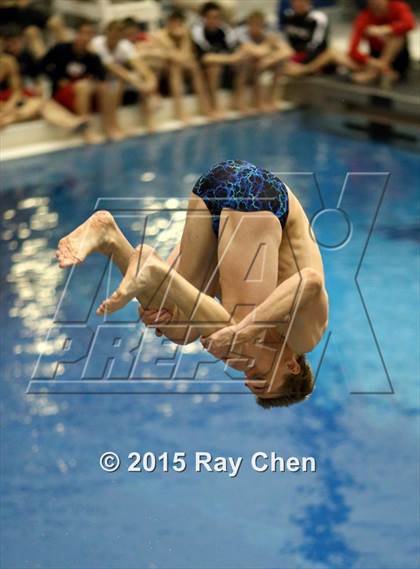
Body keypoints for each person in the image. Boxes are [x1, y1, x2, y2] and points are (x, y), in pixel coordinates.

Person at [56, 160, 329, 408]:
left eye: (248, 377)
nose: (244, 370)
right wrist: (245, 331)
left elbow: (193, 260)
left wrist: (161, 296)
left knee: (178, 328)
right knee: (241, 332)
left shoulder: (249, 278)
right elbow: (310, 280)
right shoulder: (304, 337)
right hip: (258, 194)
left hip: (213, 186)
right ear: (292, 365)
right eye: (258, 375)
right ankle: (150, 267)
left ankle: (110, 237)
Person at [0, 24, 90, 132]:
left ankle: (73, 123)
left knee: (42, 103)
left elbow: (16, 91)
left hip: (8, 104)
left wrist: (9, 106)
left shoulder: (9, 61)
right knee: (39, 104)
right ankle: (71, 122)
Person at [41, 21, 108, 144]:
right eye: (82, 33)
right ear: (77, 34)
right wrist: (56, 78)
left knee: (103, 87)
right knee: (82, 86)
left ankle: (108, 126)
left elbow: (101, 78)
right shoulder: (61, 49)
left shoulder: (93, 57)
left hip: (84, 94)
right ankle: (86, 131)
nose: (84, 37)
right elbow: (42, 65)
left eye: (89, 34)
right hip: (63, 92)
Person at [90, 20, 158, 137]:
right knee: (115, 83)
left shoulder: (125, 45)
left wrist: (151, 84)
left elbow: (141, 67)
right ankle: (110, 126)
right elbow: (112, 68)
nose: (115, 36)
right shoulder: (96, 44)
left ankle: (149, 121)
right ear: (107, 32)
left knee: (130, 79)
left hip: (118, 78)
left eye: (118, 34)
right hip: (96, 77)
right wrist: (139, 84)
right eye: (113, 33)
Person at [152, 9, 213, 123]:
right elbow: (175, 57)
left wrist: (185, 38)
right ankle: (180, 112)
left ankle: (205, 107)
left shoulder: (185, 34)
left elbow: (187, 56)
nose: (177, 26)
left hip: (181, 67)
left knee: (195, 67)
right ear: (169, 23)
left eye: (179, 24)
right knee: (176, 67)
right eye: (174, 23)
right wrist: (181, 47)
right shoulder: (160, 35)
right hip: (164, 72)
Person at [191, 2, 243, 117]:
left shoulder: (224, 29)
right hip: (203, 68)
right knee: (214, 68)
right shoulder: (197, 31)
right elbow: (205, 58)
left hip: (224, 62)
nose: (215, 21)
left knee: (244, 64)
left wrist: (236, 57)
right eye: (211, 17)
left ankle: (238, 101)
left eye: (217, 17)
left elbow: (238, 48)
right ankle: (214, 106)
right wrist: (231, 59)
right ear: (204, 18)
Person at [235, 11, 292, 113]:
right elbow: (255, 51)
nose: (256, 28)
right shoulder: (241, 33)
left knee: (280, 63)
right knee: (248, 62)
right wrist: (268, 46)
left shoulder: (266, 33)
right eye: (253, 24)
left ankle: (272, 99)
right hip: (237, 66)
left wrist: (270, 59)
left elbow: (288, 51)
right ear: (248, 24)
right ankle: (241, 102)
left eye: (259, 25)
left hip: (259, 64)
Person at [348, 0, 416, 85]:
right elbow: (352, 50)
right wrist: (375, 63)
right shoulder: (364, 17)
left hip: (398, 57)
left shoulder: (397, 6)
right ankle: (383, 70)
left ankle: (375, 72)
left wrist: (386, 29)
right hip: (376, 56)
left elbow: (410, 24)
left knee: (398, 36)